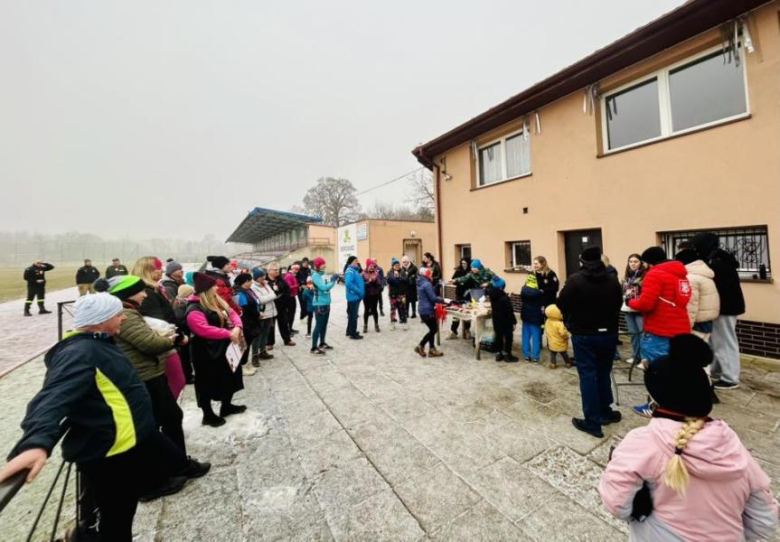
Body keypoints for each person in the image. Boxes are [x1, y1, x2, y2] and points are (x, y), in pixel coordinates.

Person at [0, 293, 191, 541]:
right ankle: (83, 536)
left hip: (134, 438)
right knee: (117, 519)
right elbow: (53, 396)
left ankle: (91, 527)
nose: (123, 317)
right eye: (118, 314)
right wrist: (36, 442)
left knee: (173, 463)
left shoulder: (101, 341)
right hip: (110, 451)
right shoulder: (80, 352)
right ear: (102, 319)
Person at [599, 334, 778, 541]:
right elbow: (765, 520)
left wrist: (640, 512)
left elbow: (616, 503)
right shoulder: (732, 445)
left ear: (656, 398)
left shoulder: (644, 442)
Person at [109, 275, 209, 480]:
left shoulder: (128, 312)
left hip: (147, 373)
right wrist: (174, 339)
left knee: (165, 418)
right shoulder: (126, 314)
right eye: (141, 291)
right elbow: (150, 343)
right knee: (170, 418)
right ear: (129, 294)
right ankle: (178, 465)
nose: (145, 295)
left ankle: (171, 464)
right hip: (147, 375)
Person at [557, 245, 623, 439]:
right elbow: (618, 304)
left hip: (584, 335)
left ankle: (592, 423)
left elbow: (561, 303)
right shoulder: (612, 280)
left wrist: (571, 318)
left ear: (582, 262)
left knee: (588, 376)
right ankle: (605, 411)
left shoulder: (575, 280)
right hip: (608, 334)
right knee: (603, 373)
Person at [186, 272, 246, 427]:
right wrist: (229, 333)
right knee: (206, 382)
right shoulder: (194, 308)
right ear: (207, 289)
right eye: (214, 286)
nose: (217, 288)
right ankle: (208, 414)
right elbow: (202, 329)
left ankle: (226, 406)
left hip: (224, 346)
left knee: (229, 376)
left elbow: (233, 314)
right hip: (205, 351)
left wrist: (238, 327)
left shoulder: (217, 300)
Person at [691, 232, 746, 391]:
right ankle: (717, 370)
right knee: (716, 341)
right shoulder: (717, 257)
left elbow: (718, 285)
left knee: (725, 341)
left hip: (725, 307)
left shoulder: (718, 261)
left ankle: (730, 378)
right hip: (720, 306)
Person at [133, 256, 186, 399]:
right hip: (163, 345)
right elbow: (157, 322)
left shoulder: (154, 289)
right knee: (174, 383)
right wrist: (179, 337)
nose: (162, 271)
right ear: (148, 271)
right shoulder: (148, 293)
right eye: (158, 269)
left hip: (167, 341)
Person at [676, 248, 720, 342]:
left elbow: (690, 305)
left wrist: (686, 327)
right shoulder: (704, 274)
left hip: (696, 323)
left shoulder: (690, 278)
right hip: (706, 321)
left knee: (693, 354)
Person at [233, 273, 263, 377]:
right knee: (244, 344)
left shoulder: (247, 290)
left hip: (252, 320)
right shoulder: (239, 293)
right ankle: (242, 366)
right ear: (245, 282)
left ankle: (245, 363)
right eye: (250, 280)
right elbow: (245, 308)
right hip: (246, 322)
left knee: (248, 343)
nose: (251, 282)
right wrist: (258, 314)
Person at [621, 254, 647, 366]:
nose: (633, 264)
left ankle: (644, 358)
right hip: (628, 309)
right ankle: (635, 355)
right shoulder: (626, 277)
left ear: (641, 263)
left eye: (635, 261)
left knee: (642, 334)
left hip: (639, 310)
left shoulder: (645, 276)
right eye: (630, 261)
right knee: (633, 334)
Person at [310, 257, 339, 355]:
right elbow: (323, 287)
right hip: (319, 304)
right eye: (322, 264)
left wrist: (332, 279)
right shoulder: (315, 276)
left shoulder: (323, 274)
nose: (325, 265)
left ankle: (322, 343)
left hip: (326, 302)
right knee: (319, 325)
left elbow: (327, 285)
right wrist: (333, 281)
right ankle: (313, 347)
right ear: (318, 265)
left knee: (324, 325)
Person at [415, 267, 444, 357]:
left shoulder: (420, 282)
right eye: (430, 273)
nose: (431, 275)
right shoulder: (427, 284)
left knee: (432, 329)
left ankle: (432, 349)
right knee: (434, 329)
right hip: (428, 311)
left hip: (422, 310)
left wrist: (436, 287)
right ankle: (421, 345)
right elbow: (433, 298)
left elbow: (428, 293)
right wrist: (444, 300)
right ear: (426, 275)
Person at [489, 276, 518, 362]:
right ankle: (508, 355)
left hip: (496, 319)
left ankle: (499, 353)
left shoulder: (492, 294)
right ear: (502, 287)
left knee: (499, 336)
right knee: (508, 337)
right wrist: (514, 322)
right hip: (506, 321)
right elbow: (509, 311)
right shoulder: (504, 298)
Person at [250, 267, 277, 361]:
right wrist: (272, 295)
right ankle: (255, 355)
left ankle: (262, 351)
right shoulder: (253, 286)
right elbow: (261, 300)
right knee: (258, 335)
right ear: (256, 277)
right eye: (261, 276)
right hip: (262, 313)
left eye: (263, 276)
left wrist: (270, 295)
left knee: (266, 333)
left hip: (270, 312)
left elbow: (270, 294)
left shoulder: (265, 284)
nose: (263, 278)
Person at [268, 263, 295, 346]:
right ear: (269, 271)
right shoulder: (265, 281)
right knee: (270, 326)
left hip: (281, 306)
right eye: (275, 270)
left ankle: (287, 339)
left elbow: (287, 290)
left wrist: (283, 299)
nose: (277, 271)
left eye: (278, 270)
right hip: (271, 306)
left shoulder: (281, 279)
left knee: (284, 323)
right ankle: (269, 343)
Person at [519, 274, 544, 362]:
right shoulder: (539, 293)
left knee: (525, 336)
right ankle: (535, 357)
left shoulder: (523, 290)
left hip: (525, 316)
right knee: (536, 337)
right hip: (535, 317)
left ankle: (526, 356)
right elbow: (541, 304)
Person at [173, 284, 195, 383]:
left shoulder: (179, 302)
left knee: (185, 356)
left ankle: (188, 375)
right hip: (183, 334)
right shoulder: (181, 305)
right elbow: (180, 320)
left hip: (183, 333)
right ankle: (188, 377)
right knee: (184, 357)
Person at [447, 258, 472, 340]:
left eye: (465, 263)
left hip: (468, 295)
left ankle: (467, 330)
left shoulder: (471, 272)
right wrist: (459, 282)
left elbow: (472, 283)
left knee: (467, 314)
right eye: (462, 263)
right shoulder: (458, 271)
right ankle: (454, 331)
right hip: (458, 295)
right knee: (456, 314)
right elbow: (453, 280)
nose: (463, 265)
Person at [544, 304, 571, 368]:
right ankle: (568, 363)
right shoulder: (559, 324)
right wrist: (567, 337)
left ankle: (553, 364)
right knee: (564, 353)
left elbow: (547, 329)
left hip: (551, 341)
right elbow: (563, 333)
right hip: (560, 343)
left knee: (553, 353)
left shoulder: (547, 321)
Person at [345, 256, 365, 339]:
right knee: (353, 316)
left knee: (352, 315)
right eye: (355, 261)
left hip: (355, 296)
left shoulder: (353, 270)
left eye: (357, 260)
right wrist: (358, 291)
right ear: (351, 262)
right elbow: (349, 283)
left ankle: (349, 331)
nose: (357, 262)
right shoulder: (350, 271)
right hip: (354, 296)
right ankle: (353, 334)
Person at [386, 258, 409, 331]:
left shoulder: (402, 271)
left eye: (398, 265)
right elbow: (389, 280)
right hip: (393, 294)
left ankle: (404, 323)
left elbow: (406, 280)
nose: (397, 266)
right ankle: (392, 323)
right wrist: (397, 281)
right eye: (395, 265)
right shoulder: (389, 272)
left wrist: (398, 277)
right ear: (392, 266)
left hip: (401, 294)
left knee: (403, 309)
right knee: (393, 310)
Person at [362, 259, 383, 333]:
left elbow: (379, 283)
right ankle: (365, 325)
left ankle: (376, 325)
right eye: (370, 266)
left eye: (373, 266)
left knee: (374, 310)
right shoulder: (363, 273)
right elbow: (362, 284)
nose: (371, 267)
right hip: (366, 295)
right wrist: (368, 282)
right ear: (367, 265)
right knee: (366, 310)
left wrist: (376, 282)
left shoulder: (376, 273)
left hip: (374, 294)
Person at [283, 263, 301, 334]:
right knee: (290, 314)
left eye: (297, 269)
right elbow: (288, 287)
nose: (296, 271)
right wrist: (297, 286)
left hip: (292, 296)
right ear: (291, 269)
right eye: (295, 269)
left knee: (292, 313)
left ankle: (290, 328)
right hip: (289, 297)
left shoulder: (292, 275)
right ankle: (288, 330)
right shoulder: (288, 276)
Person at [296, 258, 312, 326]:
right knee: (303, 305)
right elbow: (296, 279)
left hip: (308, 289)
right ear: (302, 263)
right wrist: (301, 285)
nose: (306, 264)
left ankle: (307, 319)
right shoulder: (299, 270)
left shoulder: (309, 269)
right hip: (301, 290)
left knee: (308, 305)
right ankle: (302, 319)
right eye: (305, 262)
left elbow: (310, 278)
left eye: (307, 262)